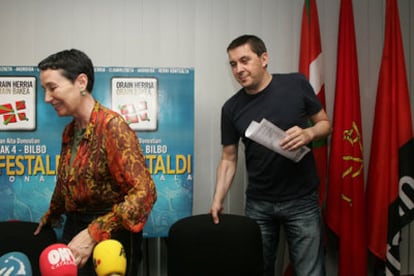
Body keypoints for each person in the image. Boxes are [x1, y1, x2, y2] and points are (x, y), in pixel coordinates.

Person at [209, 35, 331, 276]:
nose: (239, 69)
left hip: (302, 201)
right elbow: (228, 157)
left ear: (264, 58)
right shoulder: (231, 108)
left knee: (310, 272)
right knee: (257, 269)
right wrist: (217, 198)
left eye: (244, 60)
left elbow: (325, 124)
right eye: (233, 64)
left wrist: (308, 133)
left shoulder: (296, 84)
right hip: (259, 204)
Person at [34, 49, 157, 275]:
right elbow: (67, 185)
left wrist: (93, 233)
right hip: (74, 228)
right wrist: (51, 215)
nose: (47, 98)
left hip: (111, 238)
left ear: (81, 82)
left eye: (52, 88)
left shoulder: (112, 127)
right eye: (44, 90)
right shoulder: (70, 131)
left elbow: (145, 194)